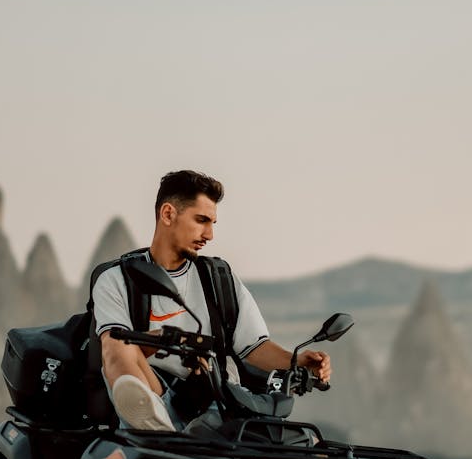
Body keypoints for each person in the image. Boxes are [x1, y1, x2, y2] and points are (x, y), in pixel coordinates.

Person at [93, 169, 331, 431]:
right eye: (201, 220)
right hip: (156, 396)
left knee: (308, 445)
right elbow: (115, 352)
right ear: (168, 214)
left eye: (212, 223)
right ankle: (157, 430)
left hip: (219, 403)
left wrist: (296, 361)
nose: (209, 235)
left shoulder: (219, 279)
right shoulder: (116, 279)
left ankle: (175, 439)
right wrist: (171, 340)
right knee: (118, 343)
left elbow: (254, 347)